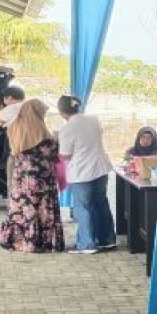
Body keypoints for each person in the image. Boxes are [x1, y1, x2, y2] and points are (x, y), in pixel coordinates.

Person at [0, 100, 64, 253]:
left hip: (22, 177)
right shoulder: (45, 135)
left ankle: (22, 242)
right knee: (43, 207)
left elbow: (13, 152)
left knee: (23, 207)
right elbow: (54, 156)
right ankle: (45, 242)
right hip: (44, 178)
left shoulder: (15, 128)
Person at [57, 95, 117, 254]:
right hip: (101, 169)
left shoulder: (66, 129)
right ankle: (107, 240)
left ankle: (87, 244)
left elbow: (65, 155)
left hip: (82, 173)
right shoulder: (94, 119)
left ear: (62, 113)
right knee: (101, 204)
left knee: (83, 208)